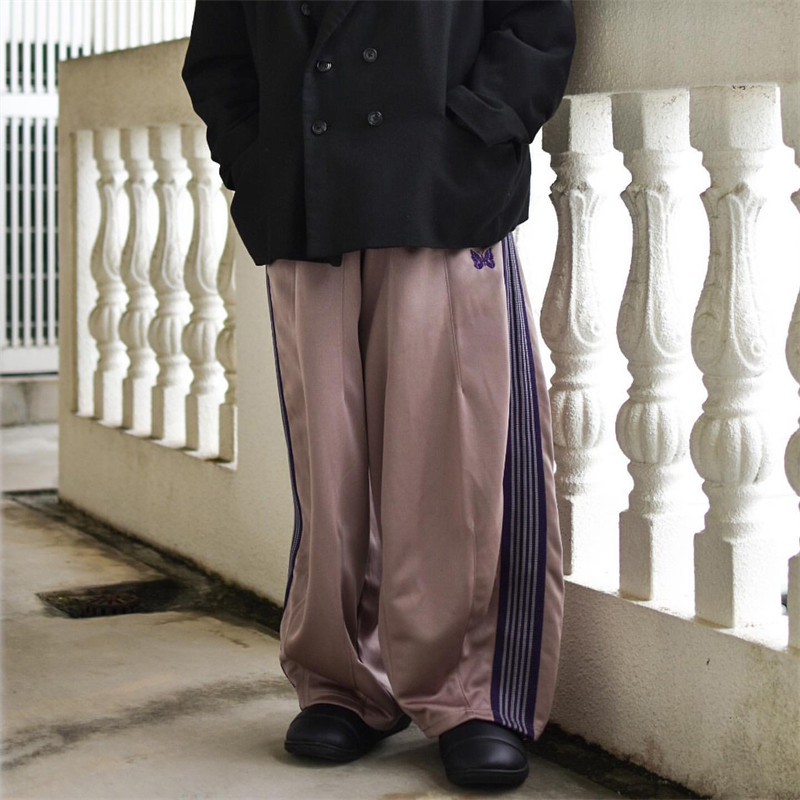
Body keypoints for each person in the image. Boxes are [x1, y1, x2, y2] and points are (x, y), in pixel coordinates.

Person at [182, 0, 576, 788]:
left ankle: (471, 694)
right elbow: (219, 59)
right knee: (329, 471)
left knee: (458, 460)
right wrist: (259, 158)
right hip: (306, 198)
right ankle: (345, 682)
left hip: (442, 195)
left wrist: (475, 134)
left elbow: (535, 23)